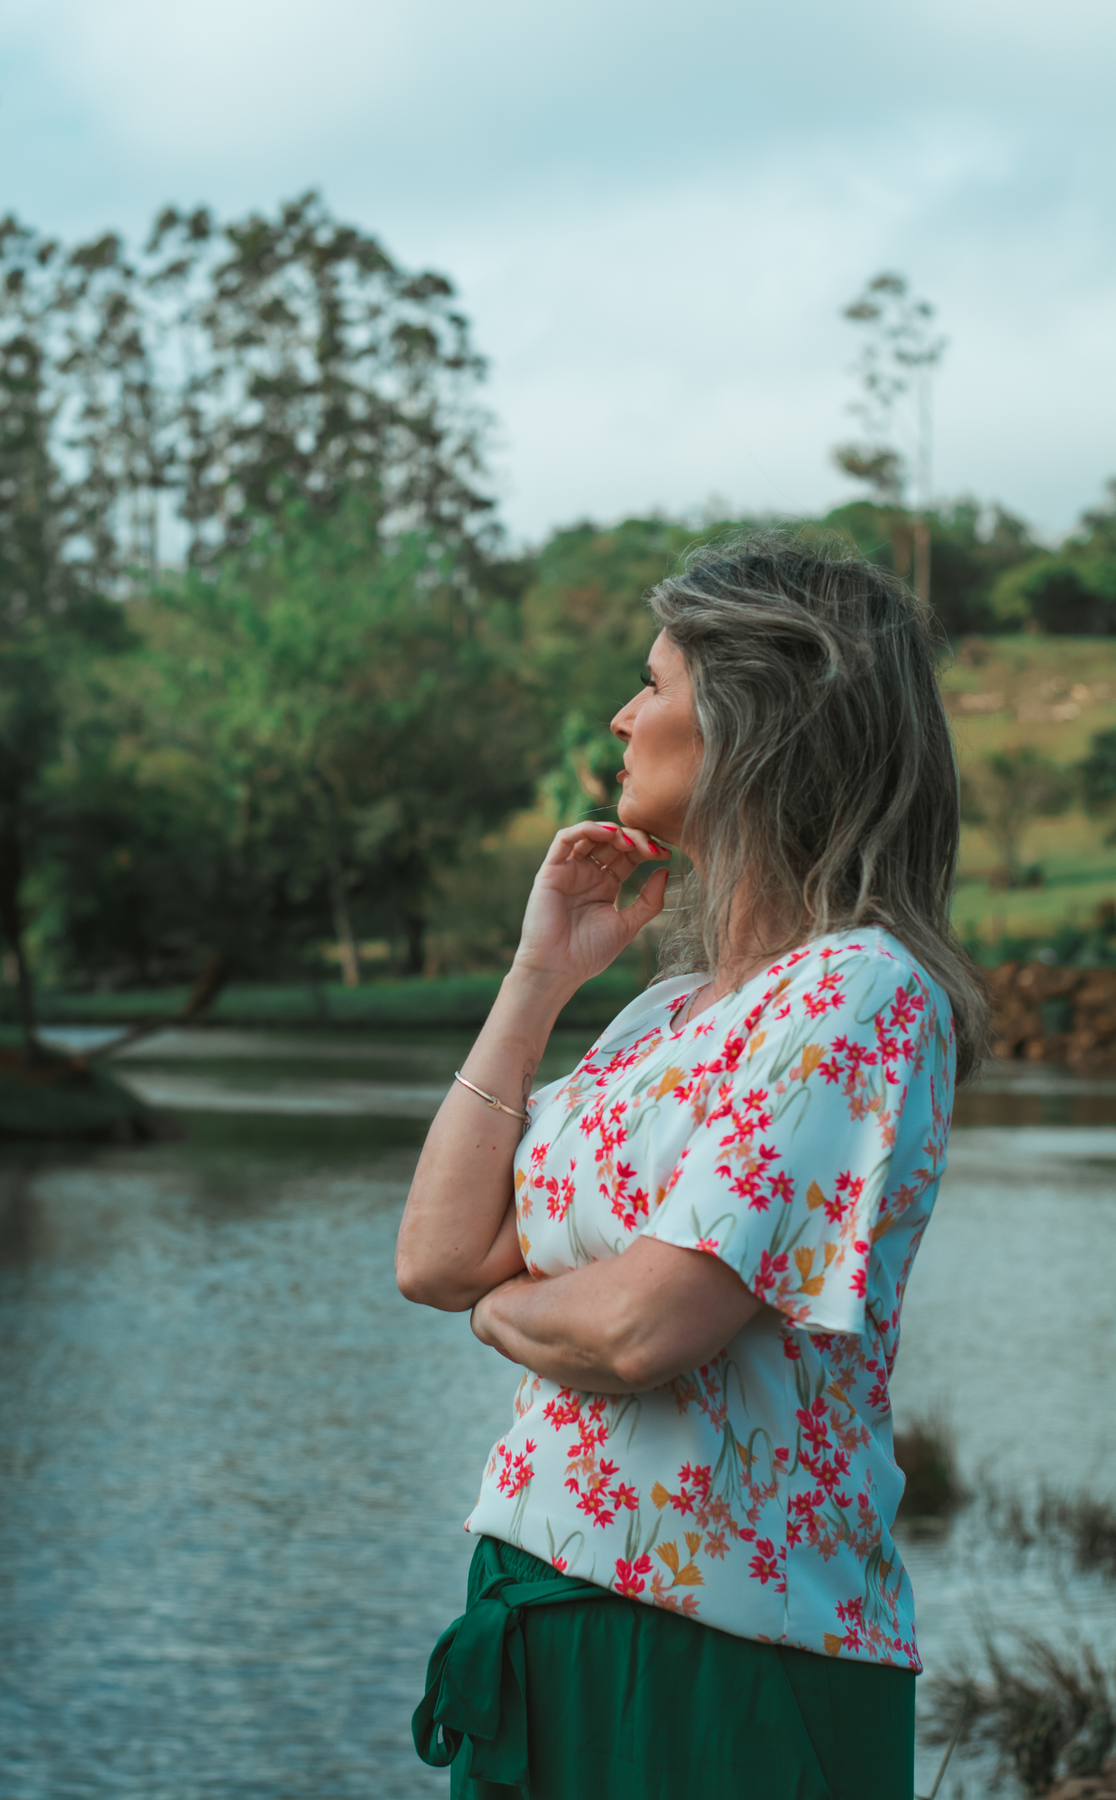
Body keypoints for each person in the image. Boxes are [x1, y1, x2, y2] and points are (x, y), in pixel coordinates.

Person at [396, 533, 988, 1800]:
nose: (620, 714)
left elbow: (645, 1328)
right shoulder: (664, 1014)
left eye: (653, 684)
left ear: (753, 720)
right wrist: (540, 974)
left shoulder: (861, 994)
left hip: (729, 1655)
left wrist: (503, 1312)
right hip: (533, 1606)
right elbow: (435, 1257)